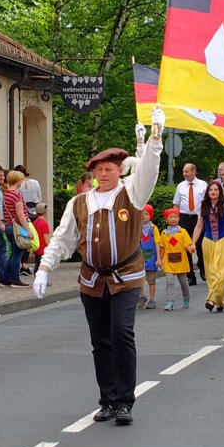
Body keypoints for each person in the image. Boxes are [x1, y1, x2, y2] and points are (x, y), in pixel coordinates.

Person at [33, 111, 164, 426]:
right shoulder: (79, 203)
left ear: (119, 171)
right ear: (92, 174)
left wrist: (155, 137)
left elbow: (147, 170)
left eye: (109, 169)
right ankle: (107, 399)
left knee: (122, 333)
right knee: (100, 340)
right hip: (91, 280)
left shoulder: (131, 193)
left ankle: (124, 402)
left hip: (127, 277)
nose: (103, 175)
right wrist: (44, 269)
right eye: (98, 170)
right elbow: (63, 239)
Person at [191, 181, 224, 313]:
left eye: (216, 190)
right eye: (211, 190)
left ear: (220, 192)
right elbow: (199, 226)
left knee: (222, 271)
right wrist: (193, 243)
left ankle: (211, 298)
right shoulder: (203, 206)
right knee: (211, 272)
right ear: (207, 192)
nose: (213, 192)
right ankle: (220, 301)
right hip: (208, 240)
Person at [173, 162, 208, 285]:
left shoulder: (203, 185)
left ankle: (203, 268)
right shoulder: (180, 186)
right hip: (184, 218)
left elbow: (207, 202)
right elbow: (176, 204)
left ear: (194, 171)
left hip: (198, 218)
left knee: (199, 245)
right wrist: (175, 219)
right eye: (183, 172)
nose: (184, 174)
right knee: (186, 246)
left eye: (187, 171)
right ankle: (190, 275)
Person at [159, 207, 193, 311]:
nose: (173, 219)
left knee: (183, 282)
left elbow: (187, 244)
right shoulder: (164, 233)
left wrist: (190, 249)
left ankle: (186, 298)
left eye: (175, 217)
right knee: (169, 282)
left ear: (179, 218)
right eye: (170, 217)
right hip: (169, 262)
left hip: (181, 262)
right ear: (166, 219)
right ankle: (170, 302)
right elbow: (162, 248)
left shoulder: (182, 232)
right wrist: (159, 260)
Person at [3, 169, 33, 287]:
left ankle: (6, 278)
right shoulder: (16, 195)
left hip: (9, 226)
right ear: (17, 180)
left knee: (12, 253)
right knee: (18, 254)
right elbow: (20, 214)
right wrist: (28, 230)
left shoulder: (6, 194)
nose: (22, 181)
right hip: (18, 227)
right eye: (21, 179)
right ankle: (15, 279)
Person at [138, 204, 160, 309]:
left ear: (150, 215)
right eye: (142, 213)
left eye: (146, 214)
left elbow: (157, 243)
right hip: (140, 256)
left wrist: (159, 259)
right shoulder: (137, 228)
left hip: (151, 256)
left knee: (151, 279)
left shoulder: (153, 228)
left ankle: (152, 299)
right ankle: (142, 295)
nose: (143, 216)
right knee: (139, 278)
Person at [31, 203, 51, 275]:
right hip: (43, 248)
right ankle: (41, 278)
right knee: (43, 265)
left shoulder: (35, 222)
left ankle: (36, 276)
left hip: (37, 247)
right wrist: (49, 247)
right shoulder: (44, 223)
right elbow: (46, 236)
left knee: (37, 263)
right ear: (45, 212)